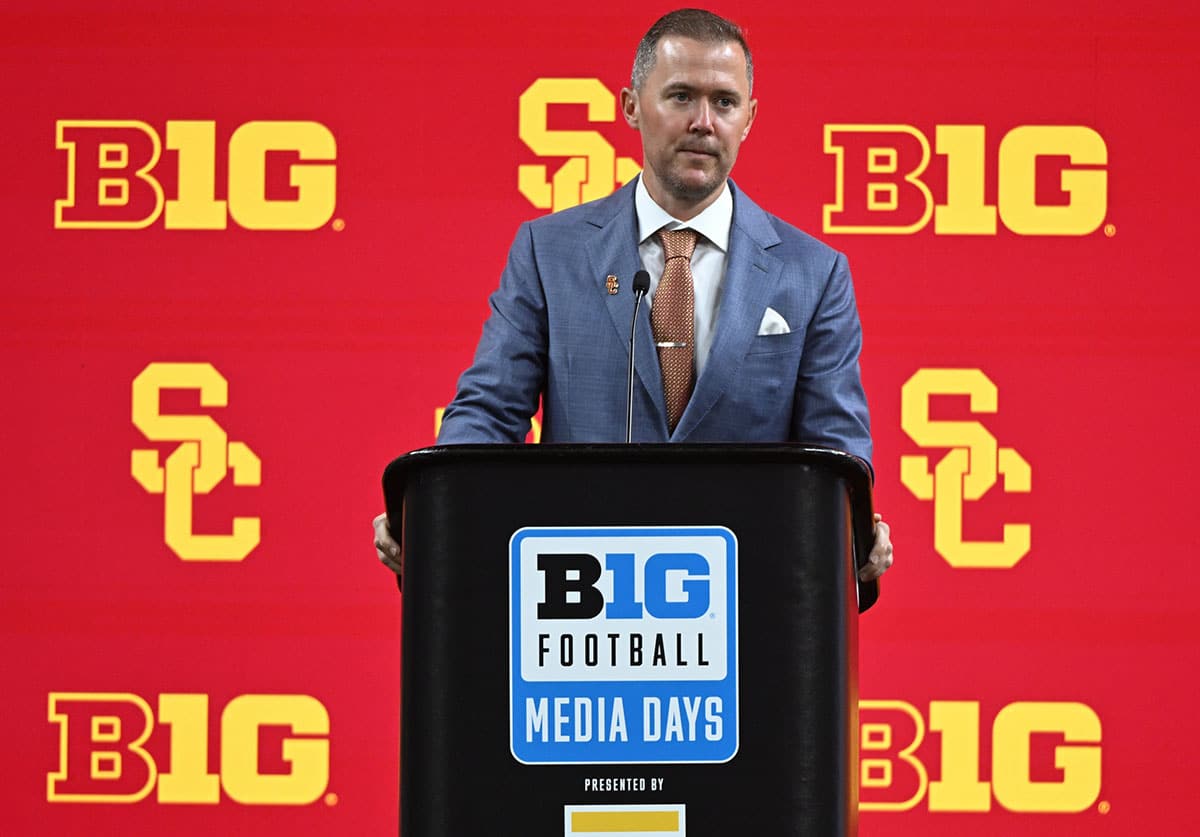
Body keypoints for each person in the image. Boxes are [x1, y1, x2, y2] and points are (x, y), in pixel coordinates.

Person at [374, 8, 892, 581]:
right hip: (582, 596)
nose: (703, 122)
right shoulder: (550, 253)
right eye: (679, 96)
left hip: (752, 597)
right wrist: (429, 506)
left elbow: (836, 448)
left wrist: (856, 520)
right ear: (630, 106)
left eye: (724, 102)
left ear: (749, 119)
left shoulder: (813, 274)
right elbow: (490, 410)